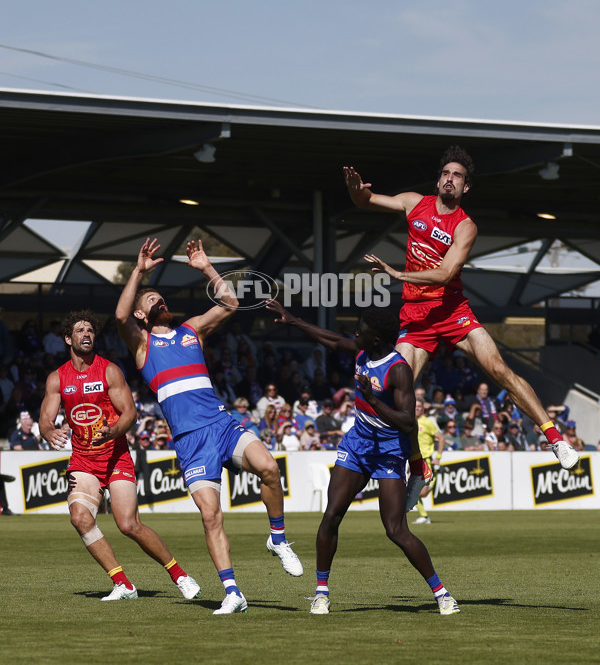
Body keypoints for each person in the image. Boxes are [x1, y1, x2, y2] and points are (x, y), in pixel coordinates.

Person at [345, 147, 578, 471]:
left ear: (465, 187)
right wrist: (356, 192)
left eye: (457, 175)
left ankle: (555, 438)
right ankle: (418, 468)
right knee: (400, 391)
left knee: (498, 370)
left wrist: (399, 274)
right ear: (438, 179)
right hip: (416, 314)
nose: (450, 179)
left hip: (451, 309)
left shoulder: (465, 226)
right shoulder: (414, 203)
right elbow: (366, 202)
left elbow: (445, 274)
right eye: (446, 173)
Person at [115, 238, 303, 615]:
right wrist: (138, 272)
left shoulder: (191, 331)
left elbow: (230, 304)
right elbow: (119, 317)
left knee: (268, 467)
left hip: (221, 423)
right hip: (190, 441)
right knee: (210, 515)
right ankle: (233, 592)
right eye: (151, 301)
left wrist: (206, 268)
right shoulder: (142, 346)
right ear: (141, 315)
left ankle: (278, 540)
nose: (160, 302)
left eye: (160, 299)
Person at [267, 298, 459, 617]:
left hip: (387, 451)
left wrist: (373, 400)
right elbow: (331, 339)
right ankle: (321, 593)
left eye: (361, 330)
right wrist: (294, 321)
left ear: (377, 338)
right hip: (357, 445)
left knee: (395, 530)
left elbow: (408, 421)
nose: (355, 333)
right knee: (331, 516)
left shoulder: (397, 370)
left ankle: (442, 594)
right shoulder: (361, 352)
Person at [39, 309, 200, 602]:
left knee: (128, 525)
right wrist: (49, 432)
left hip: (115, 456)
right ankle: (123, 584)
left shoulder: (109, 370)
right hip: (83, 460)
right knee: (80, 518)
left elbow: (130, 413)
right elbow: (45, 420)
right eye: (80, 330)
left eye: (90, 330)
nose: (87, 334)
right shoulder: (57, 378)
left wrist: (113, 431)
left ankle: (180, 575)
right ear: (67, 338)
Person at [413, 397, 445, 525]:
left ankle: (435, 476)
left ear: (423, 408)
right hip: (413, 461)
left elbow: (441, 438)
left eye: (419, 407)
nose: (417, 408)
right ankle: (424, 516)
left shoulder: (427, 422)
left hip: (426, 461)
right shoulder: (409, 422)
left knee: (421, 493)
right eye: (415, 406)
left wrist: (438, 457)